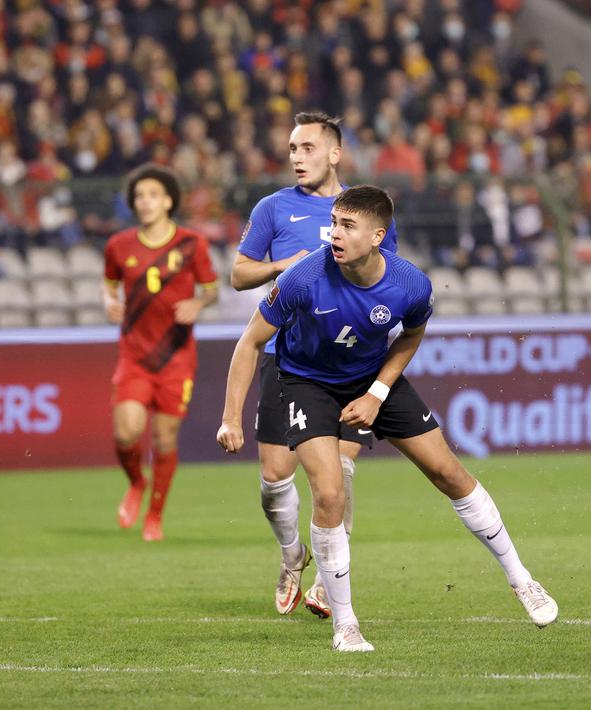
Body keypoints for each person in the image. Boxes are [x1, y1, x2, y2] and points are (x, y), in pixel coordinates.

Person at [217, 185, 558, 652]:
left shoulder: (411, 283)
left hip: (372, 379)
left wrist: (378, 392)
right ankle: (346, 625)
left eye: (346, 226)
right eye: (334, 222)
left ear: (378, 236)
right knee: (330, 493)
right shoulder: (302, 278)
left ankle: (523, 580)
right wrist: (230, 417)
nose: (333, 233)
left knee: (448, 472)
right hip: (305, 383)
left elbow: (411, 335)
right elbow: (250, 341)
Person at [230, 111, 399, 620]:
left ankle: (330, 579)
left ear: (334, 153)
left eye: (306, 147)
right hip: (288, 361)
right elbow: (238, 274)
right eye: (291, 148)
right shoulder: (273, 208)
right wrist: (283, 265)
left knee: (338, 477)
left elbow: (387, 277)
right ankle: (291, 558)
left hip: (349, 363)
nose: (296, 157)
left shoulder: (366, 212)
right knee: (275, 475)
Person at [104, 164, 218, 541]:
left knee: (164, 440)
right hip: (134, 355)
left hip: (176, 358)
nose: (145, 201)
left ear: (168, 201)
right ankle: (136, 482)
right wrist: (108, 301)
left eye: (153, 194)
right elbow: (108, 284)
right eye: (139, 196)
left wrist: (198, 305)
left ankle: (155, 515)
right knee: (126, 433)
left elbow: (212, 288)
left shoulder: (192, 243)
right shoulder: (118, 246)